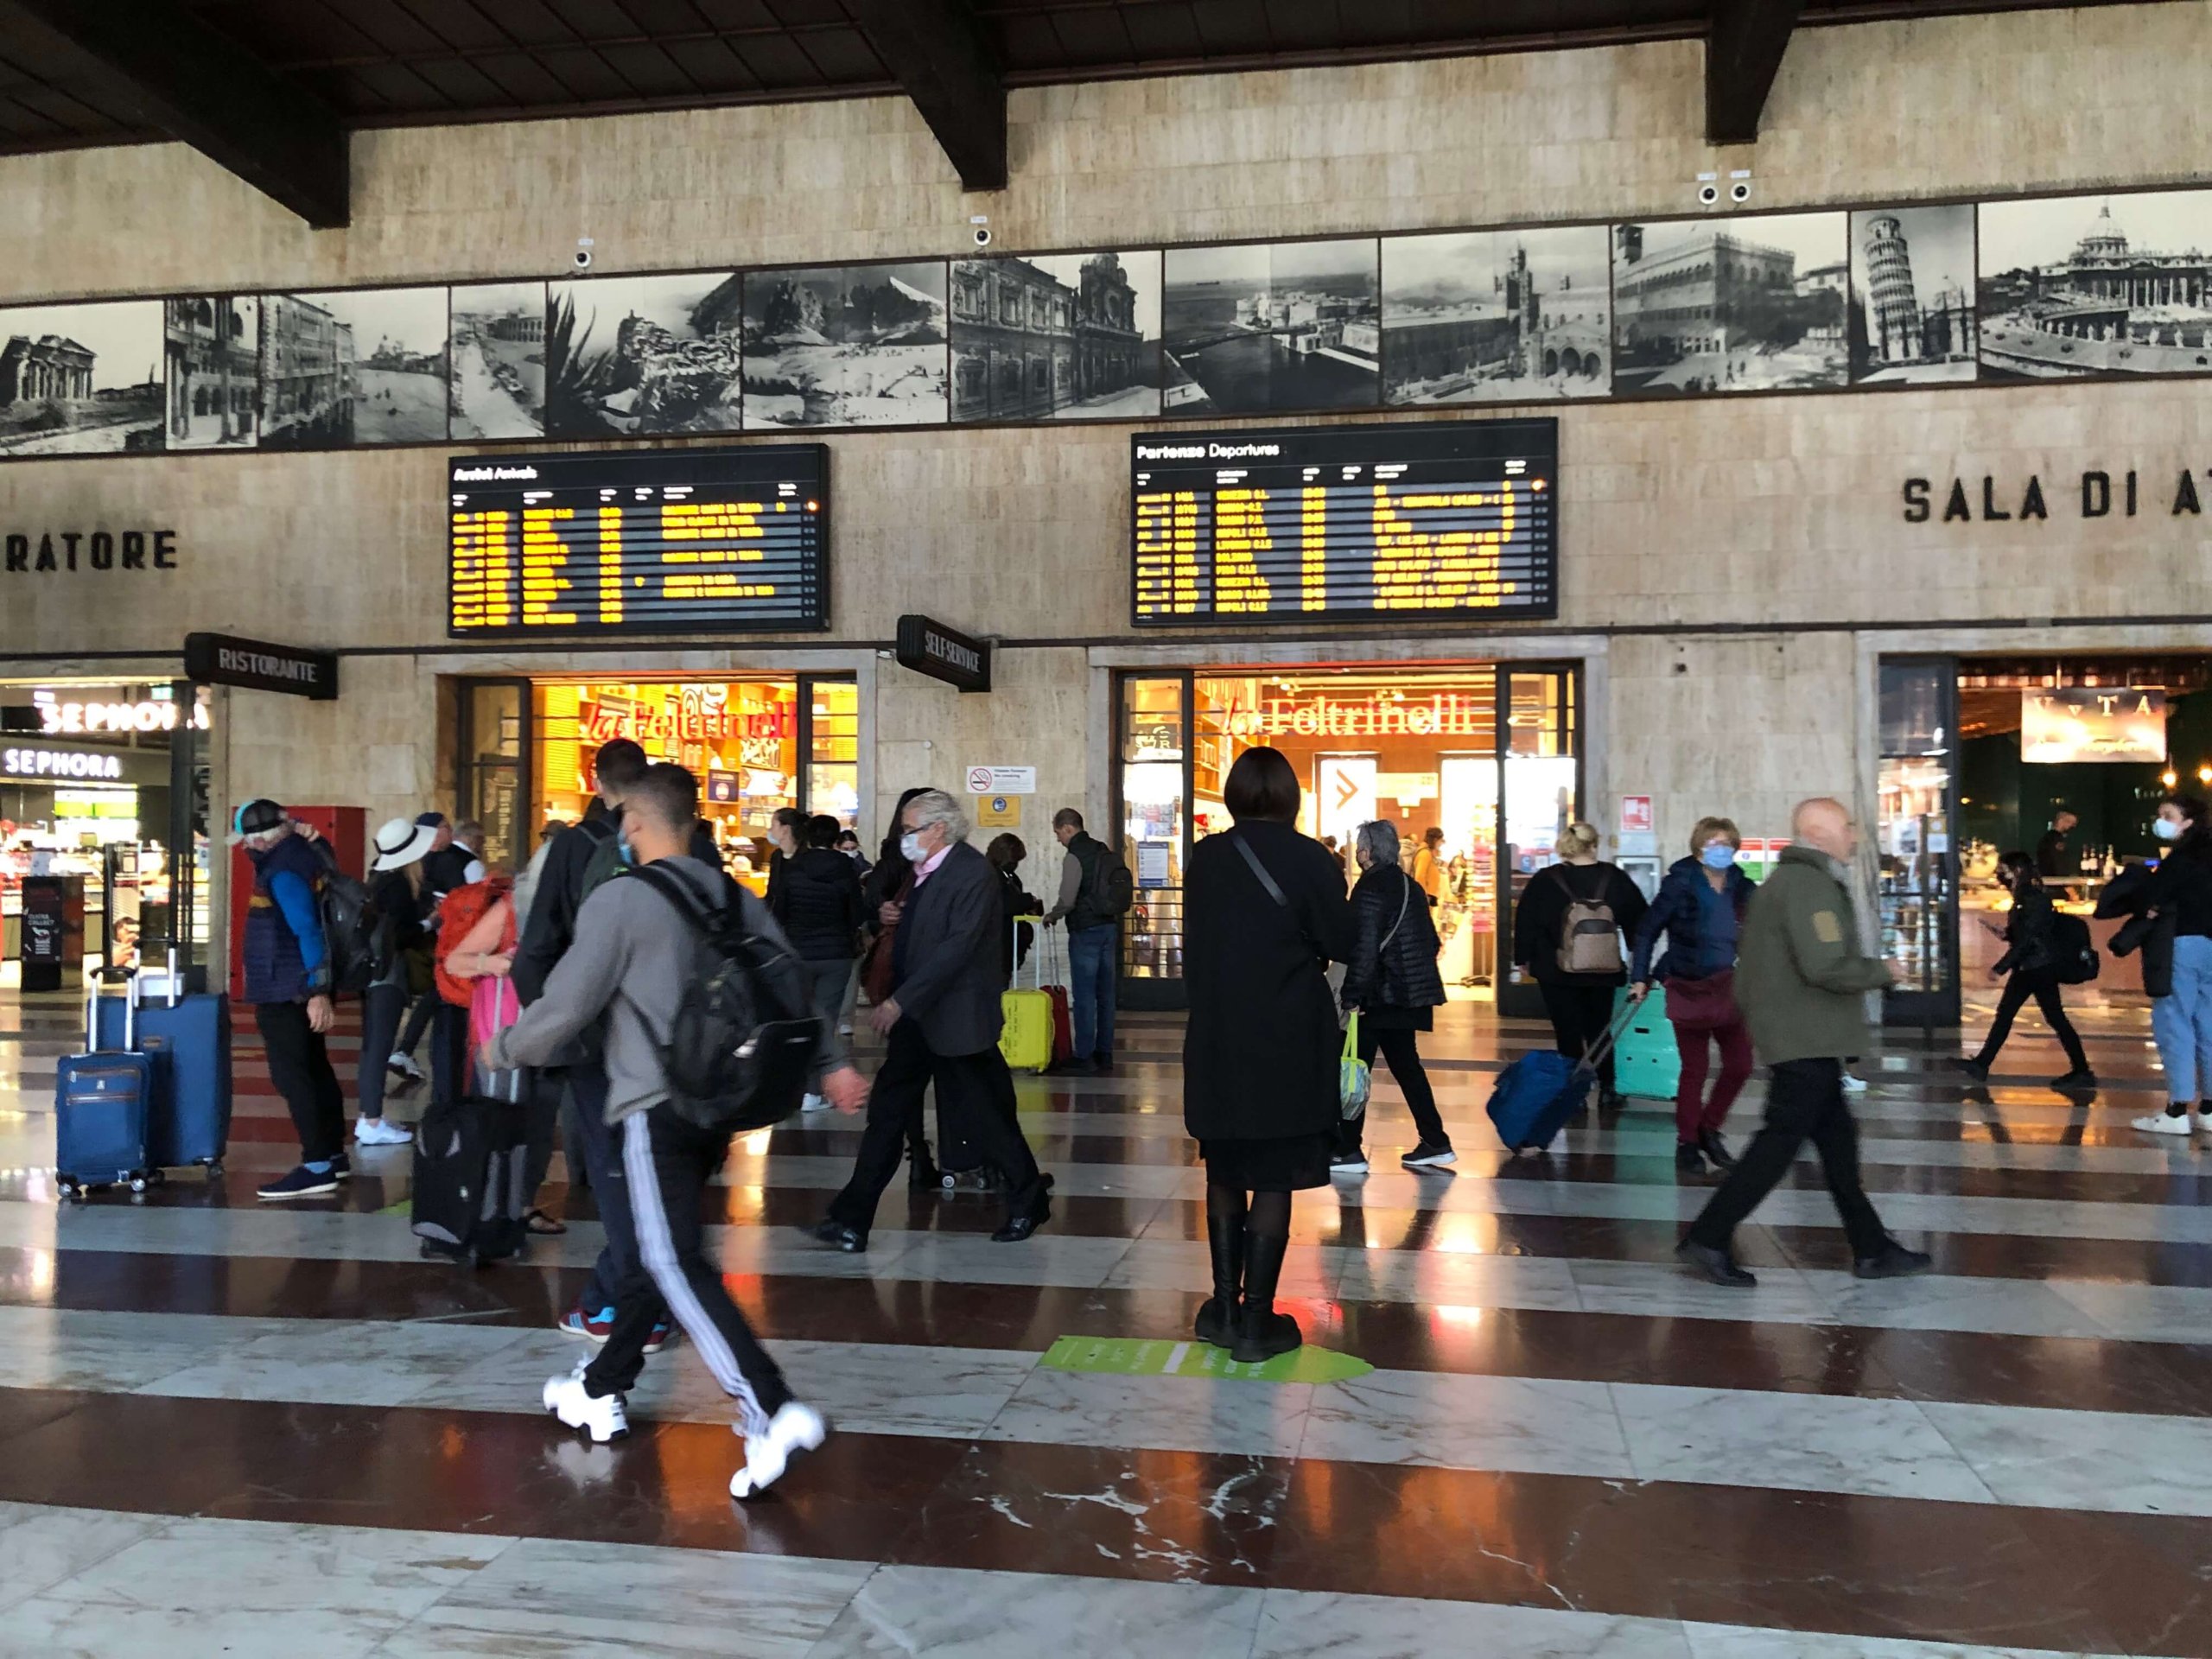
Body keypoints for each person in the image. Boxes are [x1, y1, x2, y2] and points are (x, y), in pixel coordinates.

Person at [489, 763, 868, 1497]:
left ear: (631, 823)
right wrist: (833, 1063)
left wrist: (503, 1047)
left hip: (652, 1103)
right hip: (718, 1103)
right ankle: (603, 1382)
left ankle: (770, 1405)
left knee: (669, 1258)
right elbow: (788, 984)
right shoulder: (731, 893)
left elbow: (567, 1007)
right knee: (650, 1249)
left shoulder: (619, 899)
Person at [1675, 798, 1931, 1287]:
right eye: (1847, 827)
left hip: (1804, 1035)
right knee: (1777, 1145)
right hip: (1805, 1038)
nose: (1854, 836)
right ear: (1817, 833)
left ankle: (1872, 1247)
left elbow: (1755, 974)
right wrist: (1884, 970)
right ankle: (1708, 1238)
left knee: (1838, 1145)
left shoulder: (1786, 884)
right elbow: (1825, 966)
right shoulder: (1809, 886)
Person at [812, 790, 1052, 1251]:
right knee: (887, 1114)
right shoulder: (923, 874)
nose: (905, 838)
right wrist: (888, 918)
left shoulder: (971, 873)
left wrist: (900, 1002)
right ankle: (852, 1218)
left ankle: (1028, 1197)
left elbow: (955, 950)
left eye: (910, 829)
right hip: (920, 1020)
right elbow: (924, 937)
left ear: (938, 829)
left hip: (956, 1020)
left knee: (988, 1117)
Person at [1183, 748, 1356, 1363]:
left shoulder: (1206, 857)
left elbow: (1194, 947)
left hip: (1218, 1032)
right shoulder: (1312, 858)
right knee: (1276, 1170)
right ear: (1290, 796)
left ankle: (1222, 1308)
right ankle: (1258, 1323)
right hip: (1287, 1031)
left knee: (1224, 1164)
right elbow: (1341, 940)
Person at [513, 739, 670, 1347]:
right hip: (668, 1040)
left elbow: (537, 950)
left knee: (615, 1175)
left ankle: (628, 1310)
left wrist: (550, 1026)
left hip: (598, 1039)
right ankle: (630, 1297)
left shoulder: (574, 849)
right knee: (656, 1173)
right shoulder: (685, 842)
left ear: (596, 780)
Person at [234, 799, 348, 1201]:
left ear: (261, 838)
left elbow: (307, 929)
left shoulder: (282, 870)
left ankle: (317, 1165)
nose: (247, 847)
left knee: (293, 1076)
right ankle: (333, 1155)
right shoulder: (304, 852)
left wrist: (318, 991)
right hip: (295, 984)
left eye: (248, 840)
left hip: (287, 987)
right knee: (314, 1068)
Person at [1630, 817, 1757, 1174]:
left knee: (1741, 1064)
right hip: (1689, 986)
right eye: (1716, 844)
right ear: (1699, 849)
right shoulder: (1680, 883)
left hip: (1730, 986)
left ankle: (1708, 1127)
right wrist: (1639, 977)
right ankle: (1688, 1142)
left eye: (1729, 844)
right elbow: (1648, 930)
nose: (1723, 851)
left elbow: (1762, 925)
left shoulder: (1741, 885)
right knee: (1694, 1069)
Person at [1337, 819, 1451, 1173]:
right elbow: (1432, 942)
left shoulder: (1369, 889)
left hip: (1379, 997)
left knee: (1355, 1065)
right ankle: (1435, 1141)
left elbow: (1366, 948)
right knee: (1406, 1067)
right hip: (1408, 995)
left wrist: (1352, 994)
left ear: (1367, 853)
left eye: (1359, 847)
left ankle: (1348, 1150)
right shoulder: (1410, 887)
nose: (1356, 853)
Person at [1510, 822, 1648, 1110]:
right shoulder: (1615, 878)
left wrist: (1523, 959)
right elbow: (1640, 920)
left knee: (1567, 1031)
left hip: (1556, 970)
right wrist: (1639, 962)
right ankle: (1608, 1087)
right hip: (1603, 969)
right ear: (1594, 844)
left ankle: (1575, 1094)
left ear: (1564, 846)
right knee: (1600, 1029)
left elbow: (1526, 922)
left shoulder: (1546, 880)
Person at [1961, 851, 2094, 1092]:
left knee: (2044, 1017)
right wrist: (2006, 934)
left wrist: (2000, 967)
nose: (2000, 874)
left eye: (2005, 869)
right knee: (2027, 1015)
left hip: (2037, 967)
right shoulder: (2026, 896)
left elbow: (2030, 939)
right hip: (2032, 966)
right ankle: (1982, 1064)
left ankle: (2082, 1070)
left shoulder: (2032, 897)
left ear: (2018, 870)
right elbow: (2026, 934)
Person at [862, 786, 940, 1185]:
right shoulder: (898, 857)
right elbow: (873, 897)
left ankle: (922, 1155)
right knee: (907, 1075)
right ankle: (920, 1155)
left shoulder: (936, 858)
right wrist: (882, 910)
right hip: (906, 980)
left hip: (916, 981)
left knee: (907, 1076)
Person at [770, 813, 868, 1113]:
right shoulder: (845, 869)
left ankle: (795, 1088)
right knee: (825, 1022)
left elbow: (780, 910)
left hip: (799, 954)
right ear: (837, 841)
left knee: (801, 1020)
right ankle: (813, 1092)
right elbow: (857, 913)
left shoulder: (792, 868)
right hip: (836, 955)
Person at [356, 815, 438, 1147]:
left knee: (371, 1046)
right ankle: (372, 1120)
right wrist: (430, 923)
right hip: (387, 973)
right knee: (379, 1046)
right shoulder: (399, 886)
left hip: (370, 971)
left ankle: (369, 1116)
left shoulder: (378, 877)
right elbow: (401, 934)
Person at [2133, 794, 2212, 1135]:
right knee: (2208, 1025)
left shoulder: (2180, 860)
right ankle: (2209, 1108)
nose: (2160, 820)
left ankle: (2177, 1110)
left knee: (2174, 1023)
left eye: (2168, 815)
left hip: (2180, 946)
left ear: (2188, 822)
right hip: (2210, 945)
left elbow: (2153, 897)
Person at [1042, 807, 1120, 1073]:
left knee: (1085, 995)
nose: (1057, 839)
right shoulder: (1101, 849)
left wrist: (1053, 915)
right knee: (1106, 994)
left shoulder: (1074, 855)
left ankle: (1085, 1055)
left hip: (1086, 930)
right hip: (1108, 927)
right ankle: (1105, 1053)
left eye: (1057, 833)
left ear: (1067, 828)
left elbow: (1068, 897)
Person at [986, 832, 1041, 982]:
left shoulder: (1010, 877)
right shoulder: (989, 876)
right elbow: (1000, 904)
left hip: (1009, 944)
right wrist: (1027, 900)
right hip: (995, 946)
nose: (1016, 864)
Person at [2036, 810, 2079, 881]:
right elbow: (2058, 861)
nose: (2072, 826)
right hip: (2055, 881)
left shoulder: (2049, 838)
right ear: (2061, 821)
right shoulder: (2053, 839)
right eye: (2069, 822)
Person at [1412, 827, 1446, 907]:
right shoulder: (1425, 853)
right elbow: (1419, 876)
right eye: (1440, 840)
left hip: (1429, 894)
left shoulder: (1428, 853)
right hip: (1426, 895)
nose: (1441, 844)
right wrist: (1424, 896)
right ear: (1435, 840)